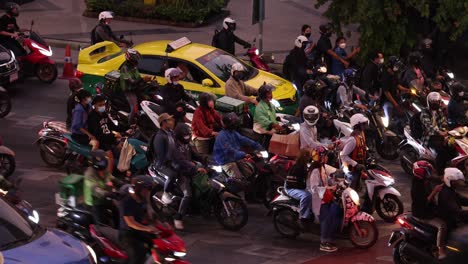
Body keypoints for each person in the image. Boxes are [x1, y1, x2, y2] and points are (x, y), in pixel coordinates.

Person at [171, 123, 207, 229]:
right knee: (188, 194)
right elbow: (181, 161)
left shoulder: (186, 144)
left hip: (190, 170)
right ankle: (178, 217)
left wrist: (204, 158)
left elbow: (194, 154)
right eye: (185, 136)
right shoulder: (174, 146)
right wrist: (196, 167)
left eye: (188, 135)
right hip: (181, 173)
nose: (187, 137)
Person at [213, 113, 263, 189]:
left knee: (250, 173)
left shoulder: (233, 133)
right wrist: (244, 154)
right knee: (238, 181)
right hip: (226, 161)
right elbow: (230, 151)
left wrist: (257, 145)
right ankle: (240, 197)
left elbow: (244, 139)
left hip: (235, 157)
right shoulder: (222, 136)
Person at [411, 160, 447, 259]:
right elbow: (424, 203)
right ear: (422, 173)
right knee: (442, 225)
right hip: (422, 213)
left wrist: (445, 177)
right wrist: (434, 191)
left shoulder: (424, 180)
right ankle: (441, 250)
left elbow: (434, 178)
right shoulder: (417, 187)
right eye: (427, 172)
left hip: (430, 209)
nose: (429, 174)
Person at [118, 175, 158, 264]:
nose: (148, 192)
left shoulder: (142, 200)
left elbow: (149, 216)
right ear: (138, 189)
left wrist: (162, 224)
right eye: (146, 189)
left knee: (158, 245)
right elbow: (131, 223)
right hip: (127, 234)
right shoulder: (126, 202)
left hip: (139, 231)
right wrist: (147, 228)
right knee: (137, 254)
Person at [307, 146, 340, 252]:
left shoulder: (322, 167)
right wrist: (329, 188)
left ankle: (330, 237)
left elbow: (327, 179)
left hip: (326, 197)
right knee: (326, 218)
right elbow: (314, 188)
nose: (327, 157)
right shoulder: (315, 171)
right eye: (325, 155)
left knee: (336, 210)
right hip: (319, 200)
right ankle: (323, 242)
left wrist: (336, 182)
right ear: (320, 157)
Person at [87, 94, 124, 173]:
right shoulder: (92, 117)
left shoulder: (104, 114)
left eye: (103, 104)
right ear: (95, 105)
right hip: (101, 141)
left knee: (123, 146)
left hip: (108, 138)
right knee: (109, 155)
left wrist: (126, 128)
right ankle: (108, 177)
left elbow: (113, 126)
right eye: (100, 105)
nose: (102, 106)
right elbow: (98, 136)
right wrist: (114, 136)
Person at [83, 150, 118, 226]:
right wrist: (107, 193)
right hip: (94, 202)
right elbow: (95, 189)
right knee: (101, 225)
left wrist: (120, 183)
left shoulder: (103, 170)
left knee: (117, 210)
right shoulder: (89, 174)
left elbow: (109, 177)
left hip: (105, 198)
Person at [420, 92, 450, 175]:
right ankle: (440, 173)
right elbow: (429, 126)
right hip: (429, 137)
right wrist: (440, 132)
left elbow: (444, 122)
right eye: (433, 102)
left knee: (452, 146)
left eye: (437, 102)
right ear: (429, 102)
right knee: (442, 151)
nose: (435, 103)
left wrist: (448, 129)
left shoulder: (439, 111)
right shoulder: (424, 112)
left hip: (440, 136)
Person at [284, 149, 313, 229]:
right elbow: (293, 182)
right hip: (291, 188)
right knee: (307, 196)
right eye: (308, 156)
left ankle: (308, 216)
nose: (309, 158)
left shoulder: (303, 166)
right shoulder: (297, 167)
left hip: (297, 186)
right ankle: (302, 216)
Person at [152, 113, 177, 204]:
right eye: (169, 120)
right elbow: (161, 155)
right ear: (164, 123)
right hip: (162, 164)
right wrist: (173, 162)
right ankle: (165, 193)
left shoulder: (171, 133)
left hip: (173, 161)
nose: (172, 121)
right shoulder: (159, 137)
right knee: (172, 175)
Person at [340, 113, 368, 190]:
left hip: (358, 168)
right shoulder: (352, 140)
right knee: (351, 190)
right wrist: (355, 164)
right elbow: (343, 156)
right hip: (351, 170)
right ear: (358, 125)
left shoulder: (361, 134)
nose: (366, 125)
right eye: (364, 123)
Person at [119, 49, 145, 125]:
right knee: (134, 108)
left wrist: (145, 81)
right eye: (135, 59)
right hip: (128, 90)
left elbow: (138, 77)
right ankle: (130, 125)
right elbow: (132, 81)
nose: (136, 61)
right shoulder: (125, 68)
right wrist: (142, 80)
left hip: (135, 88)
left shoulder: (134, 66)